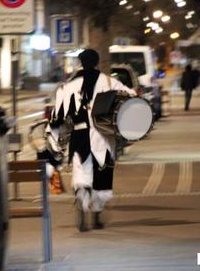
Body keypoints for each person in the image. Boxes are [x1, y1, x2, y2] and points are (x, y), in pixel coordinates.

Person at [46, 49, 136, 232]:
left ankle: (81, 213)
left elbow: (58, 118)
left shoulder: (68, 86)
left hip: (79, 138)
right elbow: (132, 97)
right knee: (101, 178)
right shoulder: (109, 82)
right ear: (96, 62)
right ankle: (96, 218)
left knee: (81, 175)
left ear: (80, 62)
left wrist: (55, 145)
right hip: (103, 137)